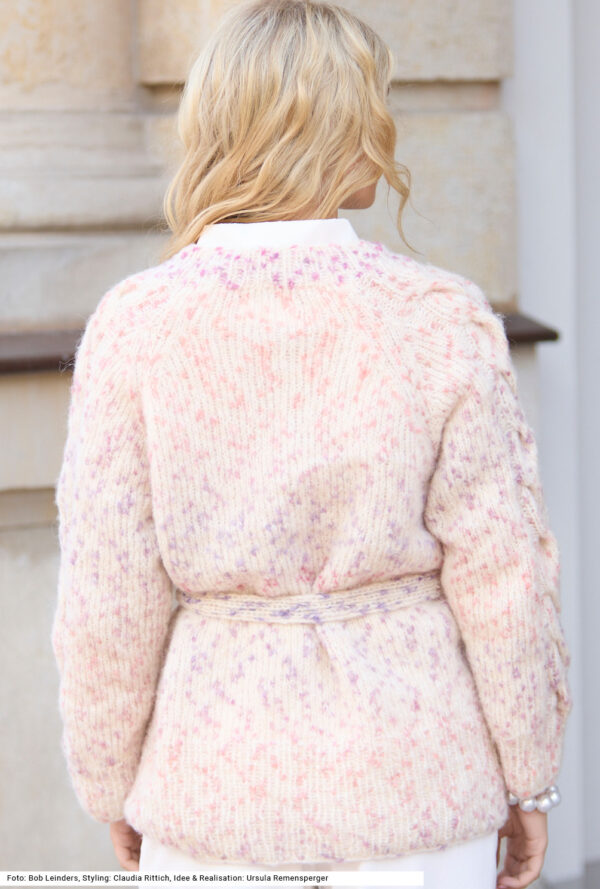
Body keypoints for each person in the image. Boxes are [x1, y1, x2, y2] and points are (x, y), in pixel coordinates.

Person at [51, 2, 572, 888]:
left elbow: (108, 597)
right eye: (376, 102)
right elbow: (504, 578)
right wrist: (532, 777)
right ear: (343, 126)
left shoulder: (137, 325)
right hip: (417, 797)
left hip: (213, 795)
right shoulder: (440, 318)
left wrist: (110, 783)